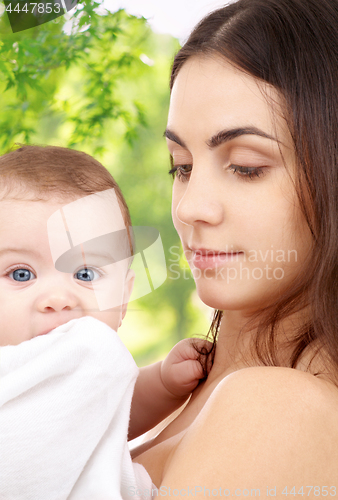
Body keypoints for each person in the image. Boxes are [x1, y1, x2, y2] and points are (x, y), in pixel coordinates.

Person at [131, 0, 338, 494]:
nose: (190, 208)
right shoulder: (174, 391)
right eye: (182, 166)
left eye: (246, 166)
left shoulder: (280, 409)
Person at [0, 144, 210, 500]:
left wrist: (161, 383)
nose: (57, 299)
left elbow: (106, 410)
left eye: (84, 273)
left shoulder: (97, 358)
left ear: (123, 298)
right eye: (21, 274)